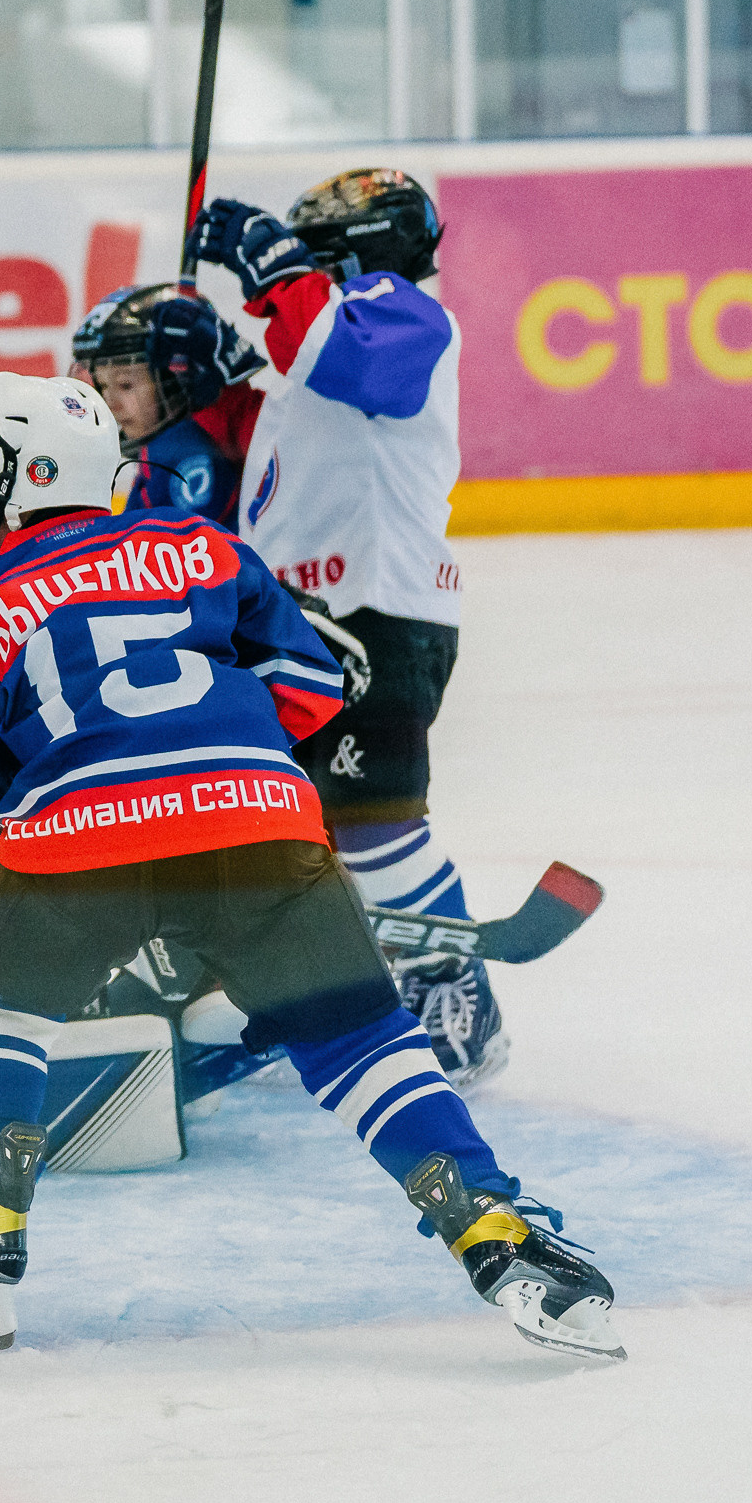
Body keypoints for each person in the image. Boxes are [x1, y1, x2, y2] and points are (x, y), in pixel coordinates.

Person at [0, 368, 620, 1361]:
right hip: (261, 827)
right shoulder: (201, 548)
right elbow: (307, 688)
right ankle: (489, 1224)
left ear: (11, 474)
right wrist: (215, 776)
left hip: (76, 855)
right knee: (356, 1041)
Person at [187, 169, 506, 1086]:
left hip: (376, 612)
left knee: (373, 823)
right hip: (304, 623)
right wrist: (197, 362)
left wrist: (273, 267)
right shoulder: (315, 341)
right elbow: (264, 431)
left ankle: (453, 992)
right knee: (279, 819)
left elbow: (347, 358)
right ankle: (299, 985)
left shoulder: (398, 313)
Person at [68, 283, 265, 526]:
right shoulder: (165, 448)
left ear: (177, 378)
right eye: (104, 386)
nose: (111, 404)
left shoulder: (177, 451)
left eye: (125, 385)